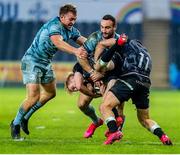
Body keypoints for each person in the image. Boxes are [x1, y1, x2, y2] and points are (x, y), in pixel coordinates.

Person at [10, 4, 87, 140]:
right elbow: (57, 42)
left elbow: (85, 42)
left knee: (51, 93)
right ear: (62, 17)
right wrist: (76, 51)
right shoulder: (54, 26)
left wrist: (100, 46)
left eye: (74, 19)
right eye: (70, 19)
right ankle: (15, 123)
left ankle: (25, 117)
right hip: (32, 62)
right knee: (33, 96)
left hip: (45, 63)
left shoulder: (71, 29)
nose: (72, 22)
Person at [94, 35, 173, 145]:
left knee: (105, 106)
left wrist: (117, 45)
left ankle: (113, 131)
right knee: (144, 119)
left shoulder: (128, 44)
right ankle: (163, 136)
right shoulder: (146, 53)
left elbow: (102, 63)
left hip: (131, 79)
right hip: (145, 84)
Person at [77, 14, 125, 138]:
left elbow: (123, 65)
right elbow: (80, 56)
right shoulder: (95, 37)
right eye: (102, 27)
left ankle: (116, 132)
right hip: (93, 72)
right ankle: (96, 121)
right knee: (82, 104)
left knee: (115, 106)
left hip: (112, 75)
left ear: (115, 27)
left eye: (107, 28)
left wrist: (103, 76)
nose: (104, 30)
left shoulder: (121, 42)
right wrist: (93, 74)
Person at [65, 62, 125, 138]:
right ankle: (97, 121)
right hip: (101, 82)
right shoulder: (84, 81)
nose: (77, 89)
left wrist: (100, 79)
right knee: (81, 104)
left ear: (72, 78)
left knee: (118, 107)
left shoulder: (79, 68)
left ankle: (117, 130)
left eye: (74, 87)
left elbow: (102, 66)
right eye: (75, 90)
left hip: (114, 75)